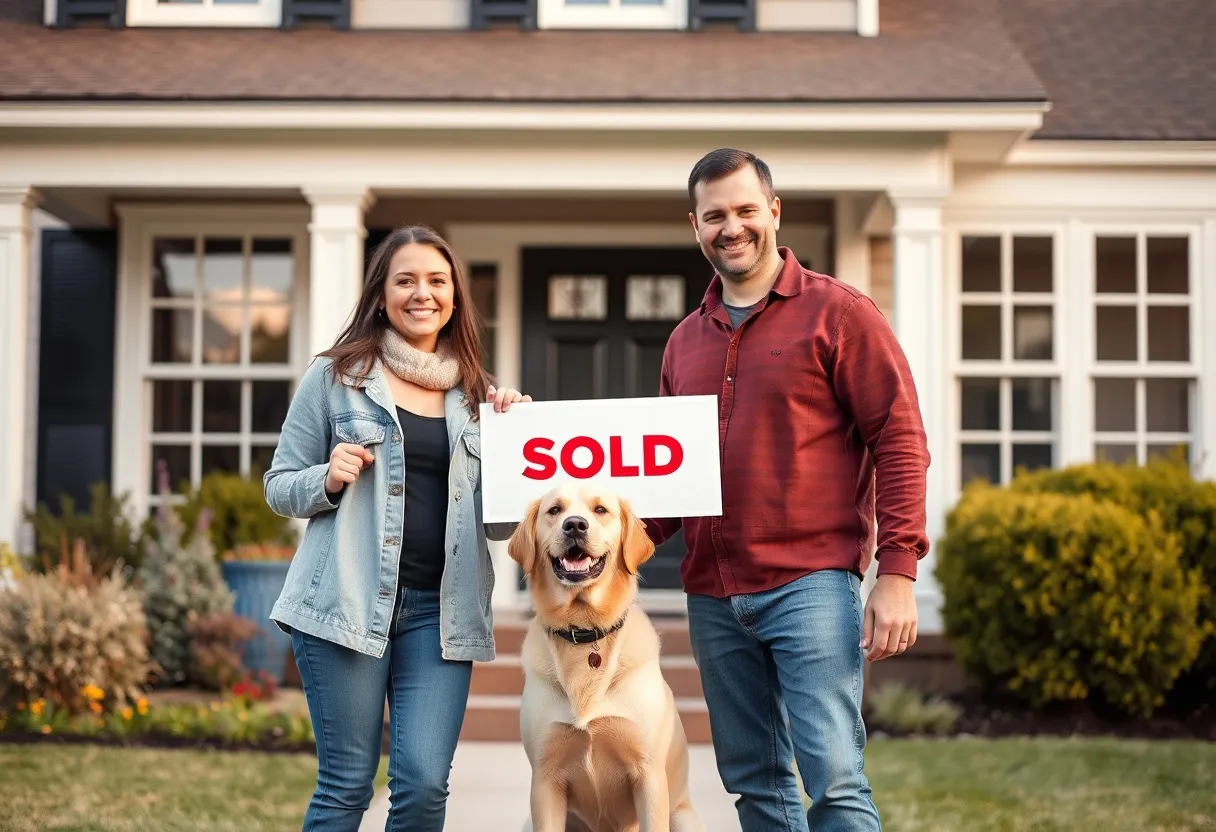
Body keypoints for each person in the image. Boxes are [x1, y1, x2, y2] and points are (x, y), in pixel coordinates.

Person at [645, 149, 930, 831]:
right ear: (695, 225)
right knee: (756, 785)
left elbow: (899, 440)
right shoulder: (685, 341)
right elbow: (664, 486)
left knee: (832, 778)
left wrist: (898, 573)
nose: (732, 226)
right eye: (715, 215)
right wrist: (589, 539)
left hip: (810, 586)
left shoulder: (841, 314)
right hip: (713, 594)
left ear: (773, 212)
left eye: (746, 210)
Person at [264, 225, 530, 831]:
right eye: (404, 280)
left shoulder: (480, 397)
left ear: (455, 296)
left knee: (424, 785)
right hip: (347, 605)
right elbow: (278, 485)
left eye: (437, 281)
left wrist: (516, 444)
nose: (422, 293)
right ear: (380, 296)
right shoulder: (336, 378)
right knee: (347, 787)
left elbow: (502, 527)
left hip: (440, 614)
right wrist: (325, 479)